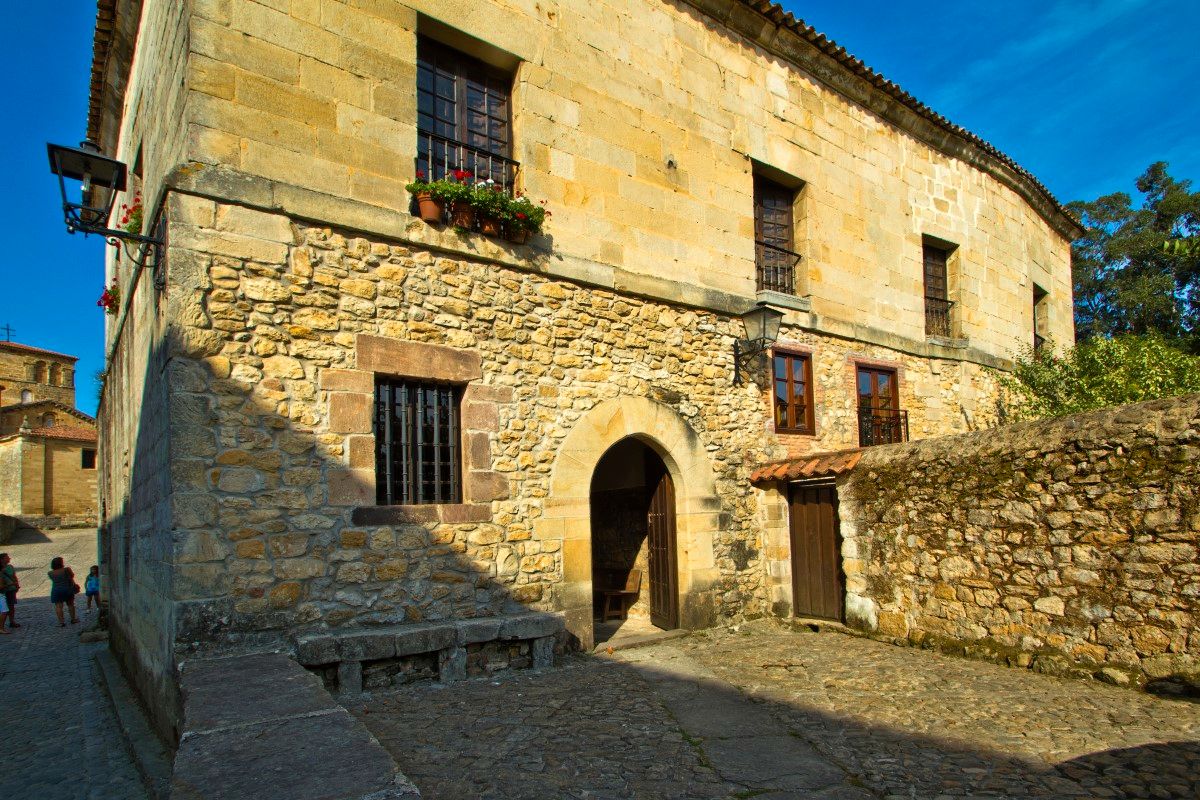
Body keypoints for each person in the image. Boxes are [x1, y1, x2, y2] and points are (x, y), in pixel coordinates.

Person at [48, 556, 79, 627]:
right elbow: (72, 576)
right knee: (70, 604)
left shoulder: (50, 573)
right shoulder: (66, 569)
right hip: (67, 589)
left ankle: (61, 622)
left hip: (56, 590)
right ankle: (73, 619)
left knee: (58, 606)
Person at [0, 553, 18, 628]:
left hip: (11, 589)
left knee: (11, 606)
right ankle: (2, 625)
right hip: (3, 590)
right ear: (2, 560)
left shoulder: (10, 567)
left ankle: (12, 621)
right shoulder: (1, 570)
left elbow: (14, 576)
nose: (9, 559)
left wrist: (16, 585)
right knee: (4, 608)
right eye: (7, 558)